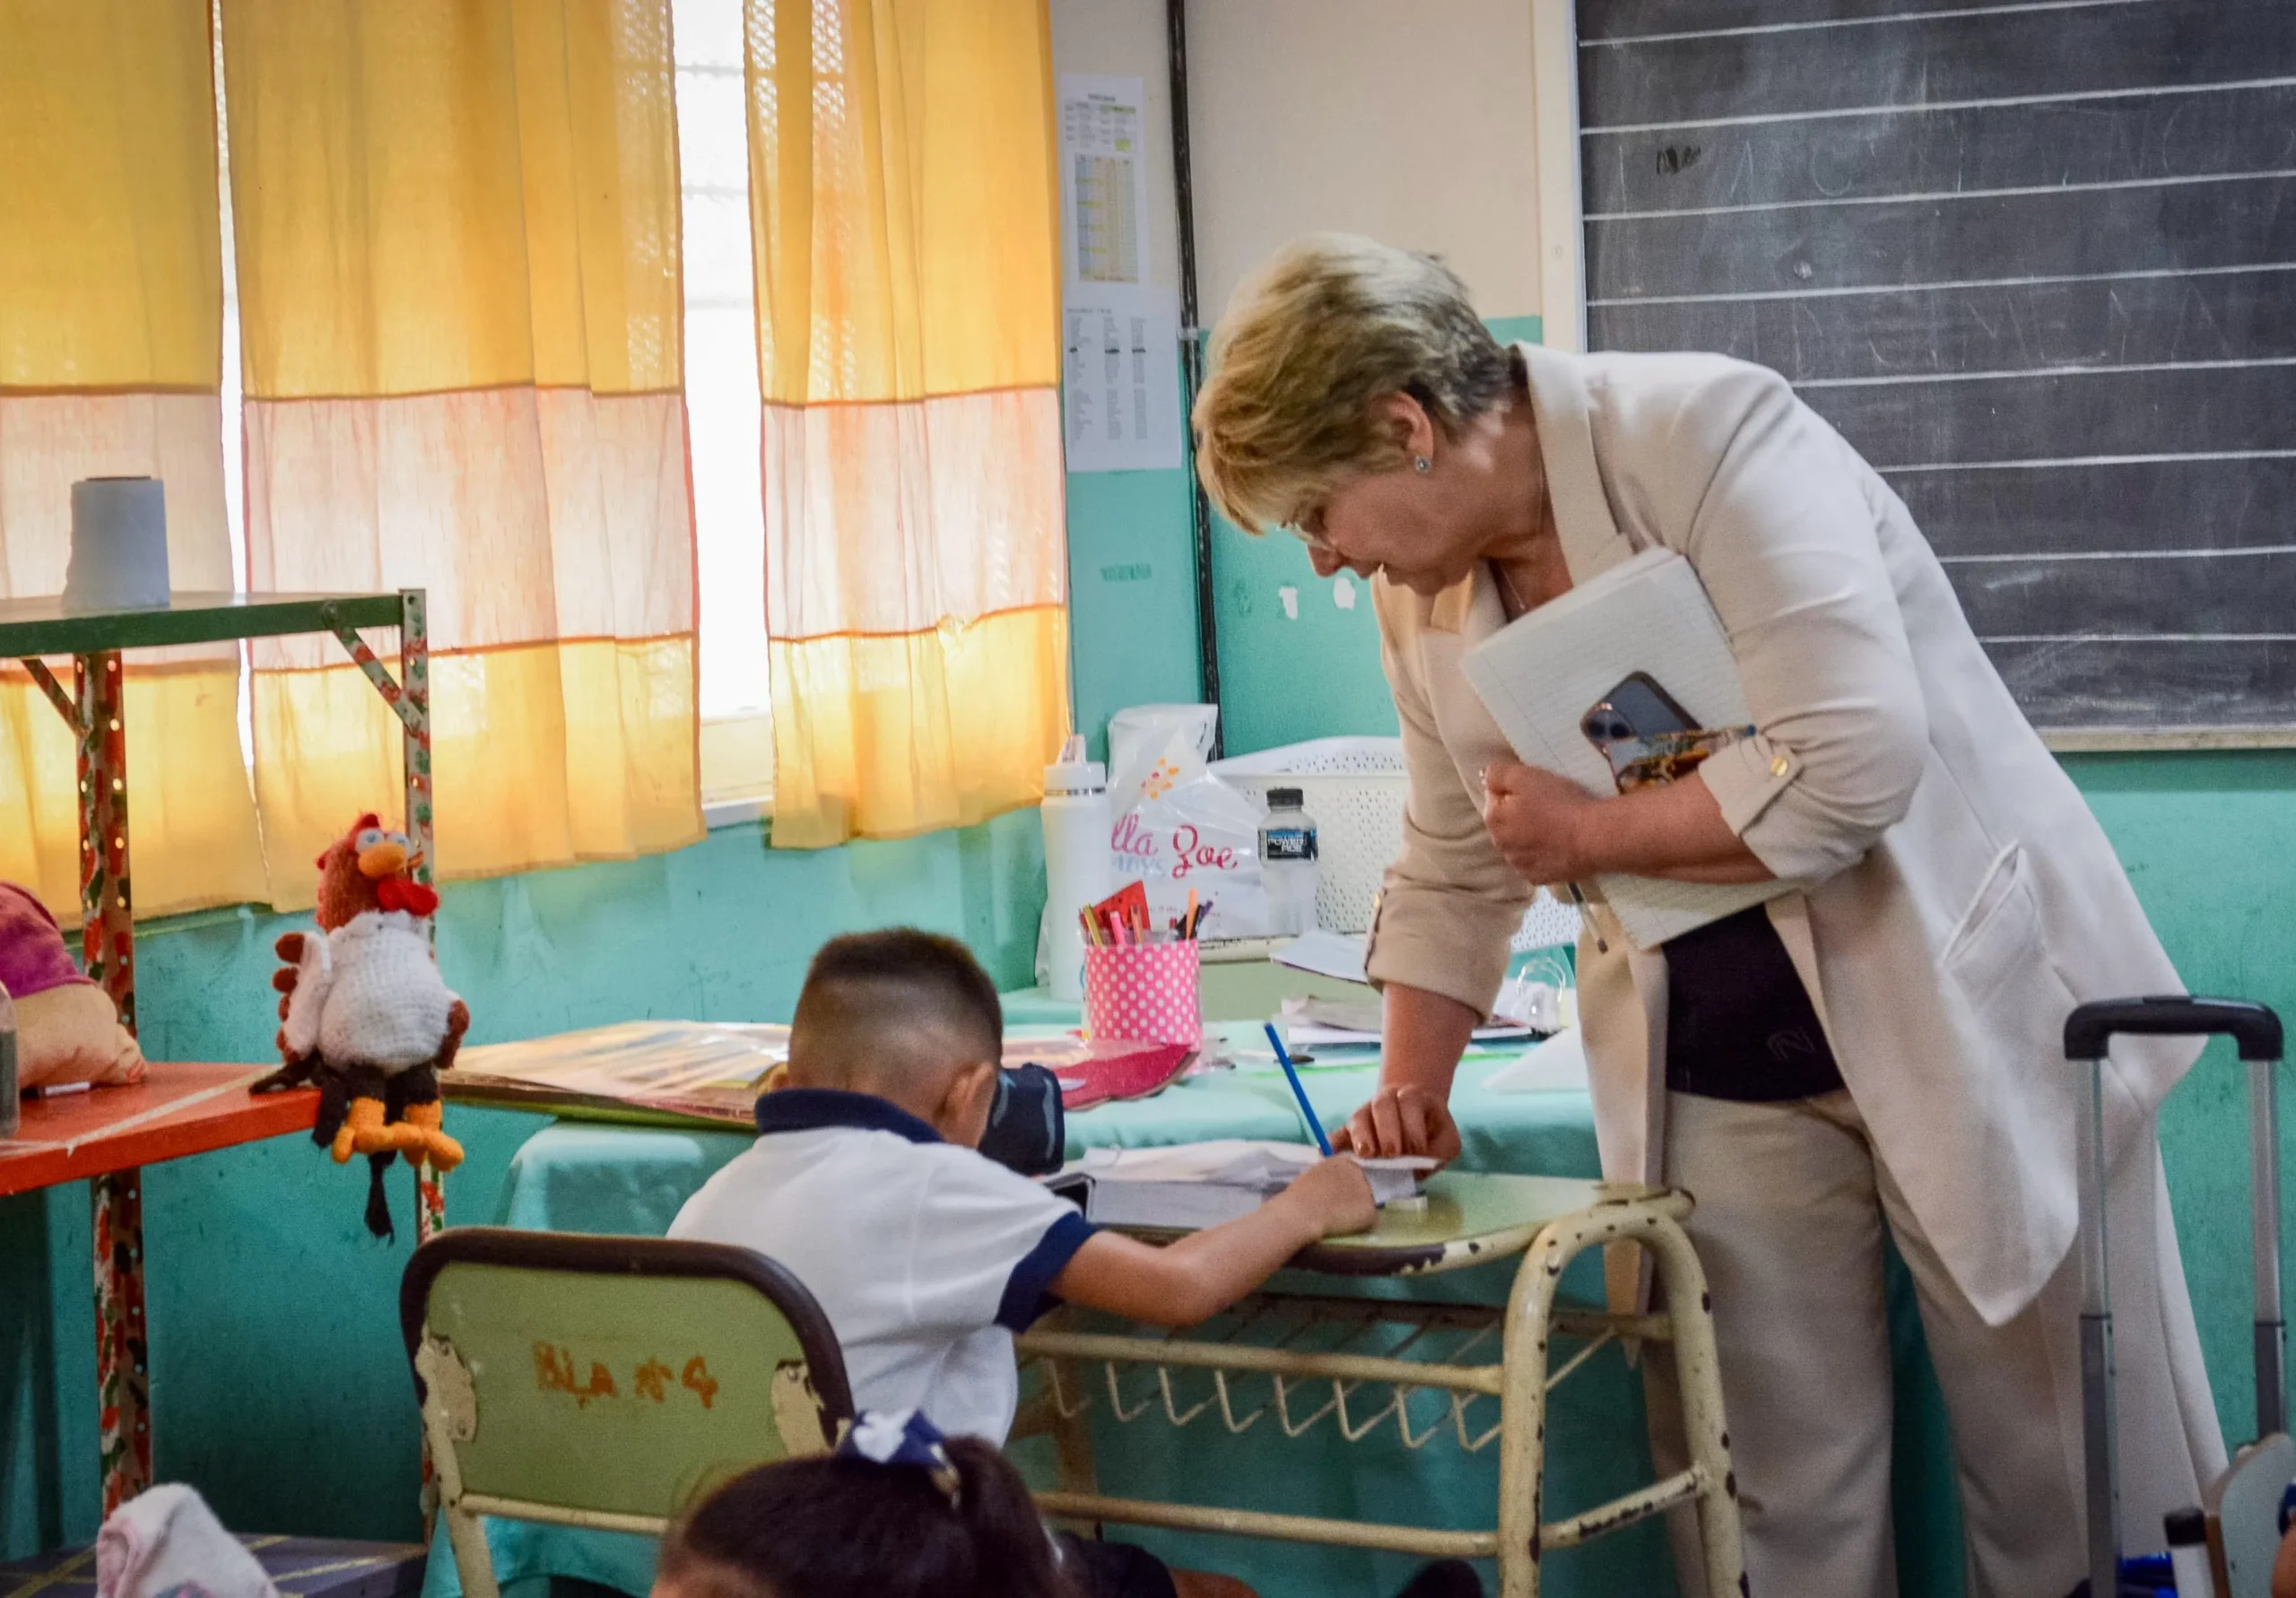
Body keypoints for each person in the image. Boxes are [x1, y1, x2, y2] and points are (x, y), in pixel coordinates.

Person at [1189, 233, 2226, 1597]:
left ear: (1407, 427)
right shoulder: (1417, 597)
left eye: (1321, 511)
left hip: (1958, 1008)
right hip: (1716, 1063)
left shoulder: (1705, 431)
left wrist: (1588, 835)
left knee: (2081, 1482)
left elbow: (1854, 759)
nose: (1327, 559)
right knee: (1769, 1515)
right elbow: (1454, 860)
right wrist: (1408, 1095)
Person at [669, 929, 1481, 1598]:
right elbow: (1177, 1289)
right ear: (972, 1096)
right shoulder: (938, 1185)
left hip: (748, 1560)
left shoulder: (705, 1204)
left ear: (783, 1079)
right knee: (1220, 1595)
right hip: (913, 1572)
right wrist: (1312, 1203)